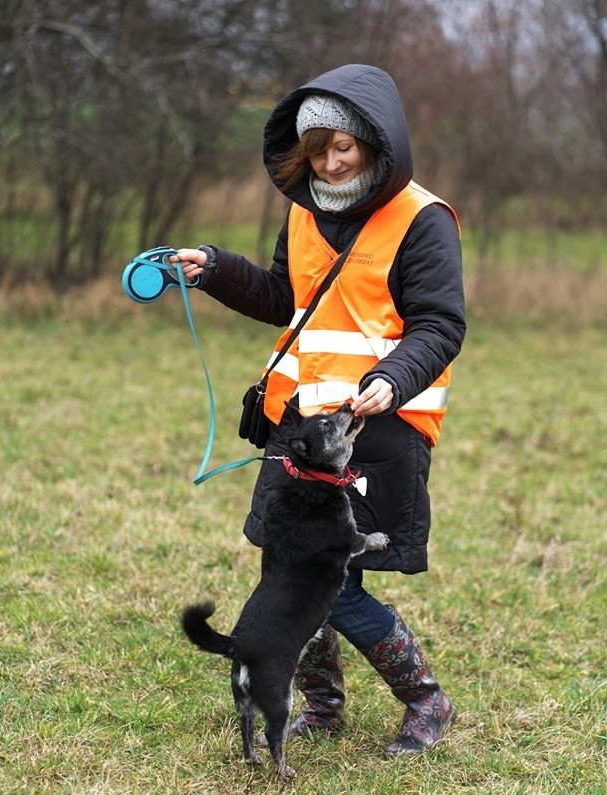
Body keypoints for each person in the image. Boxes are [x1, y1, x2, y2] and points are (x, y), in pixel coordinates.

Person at [170, 63, 466, 756]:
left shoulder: (422, 220)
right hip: (298, 429)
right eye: (318, 149)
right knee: (287, 577)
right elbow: (284, 298)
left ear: (377, 141)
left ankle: (427, 702)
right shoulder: (304, 208)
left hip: (379, 429)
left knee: (334, 586)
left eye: (345, 147)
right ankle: (323, 708)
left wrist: (393, 379)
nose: (330, 163)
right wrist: (214, 269)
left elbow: (439, 325)